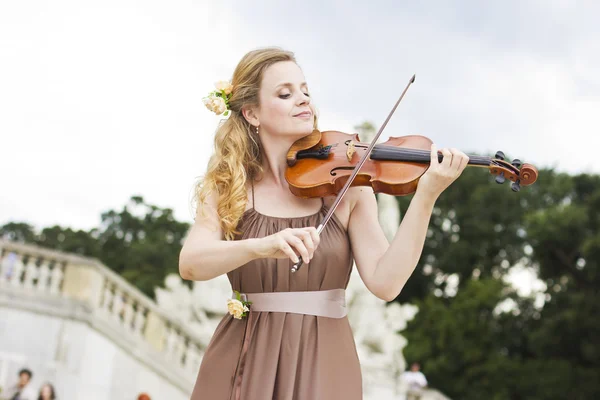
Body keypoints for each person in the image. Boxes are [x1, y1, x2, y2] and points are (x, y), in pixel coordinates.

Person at [179, 47, 469, 400]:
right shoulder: (228, 187)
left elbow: (385, 283)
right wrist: (263, 245)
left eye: (305, 90)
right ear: (252, 113)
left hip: (324, 356)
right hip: (243, 352)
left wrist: (426, 197)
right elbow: (191, 263)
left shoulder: (348, 189)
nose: (302, 100)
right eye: (285, 94)